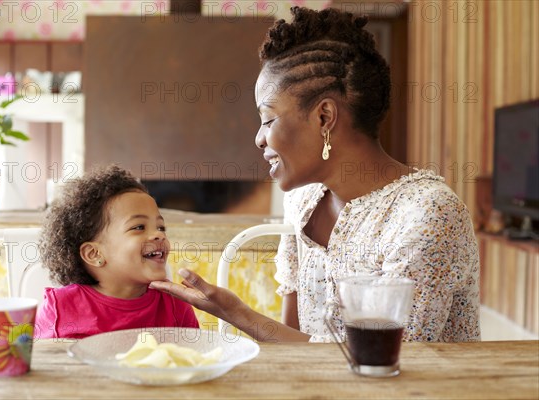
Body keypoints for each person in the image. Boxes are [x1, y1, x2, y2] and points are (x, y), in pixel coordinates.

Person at [150, 7, 480, 343]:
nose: (258, 138)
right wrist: (230, 311)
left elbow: (383, 368)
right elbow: (295, 342)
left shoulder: (428, 214)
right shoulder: (302, 200)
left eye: (267, 119)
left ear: (324, 116)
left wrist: (238, 314)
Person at [34, 165, 199, 338]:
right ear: (94, 254)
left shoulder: (176, 306)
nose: (158, 235)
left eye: (161, 227)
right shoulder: (59, 308)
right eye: (139, 227)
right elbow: (34, 358)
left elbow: (196, 359)